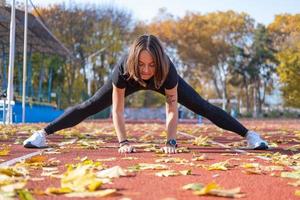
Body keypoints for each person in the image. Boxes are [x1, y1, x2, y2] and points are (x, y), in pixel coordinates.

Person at [23, 34, 268, 153]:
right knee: (91, 105)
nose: (147, 70)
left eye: (151, 64)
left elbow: (171, 109)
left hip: (166, 82)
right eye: (142, 64)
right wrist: (123, 142)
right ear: (134, 61)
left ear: (159, 62)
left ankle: (250, 135)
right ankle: (42, 134)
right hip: (128, 81)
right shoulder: (123, 70)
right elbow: (117, 110)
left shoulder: (166, 70)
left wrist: (171, 141)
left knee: (203, 105)